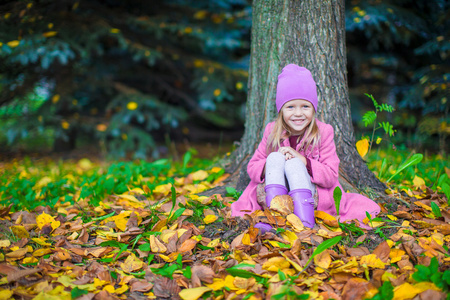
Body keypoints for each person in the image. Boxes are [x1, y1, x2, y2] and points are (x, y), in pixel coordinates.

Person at [231, 64, 380, 232]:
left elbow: (331, 175)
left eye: (305, 106)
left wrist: (303, 161)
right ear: (281, 110)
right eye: (290, 107)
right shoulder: (272, 130)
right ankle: (275, 218)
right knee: (274, 157)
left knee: (294, 164)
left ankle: (305, 221)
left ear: (314, 108)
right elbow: (252, 167)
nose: (298, 113)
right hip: (277, 193)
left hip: (309, 196)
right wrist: (273, 163)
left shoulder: (324, 132)